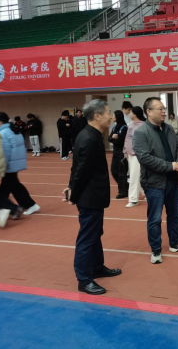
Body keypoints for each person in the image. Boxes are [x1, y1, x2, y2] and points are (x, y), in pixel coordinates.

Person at [63, 99, 122, 295]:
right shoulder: (89, 138)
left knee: (95, 233)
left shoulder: (89, 135)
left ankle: (97, 267)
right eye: (108, 113)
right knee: (87, 237)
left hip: (93, 196)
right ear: (97, 116)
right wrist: (73, 194)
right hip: (89, 197)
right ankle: (84, 280)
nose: (111, 117)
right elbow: (81, 171)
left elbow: (76, 166)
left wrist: (71, 187)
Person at [133, 97, 178, 264]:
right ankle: (156, 249)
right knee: (155, 219)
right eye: (160, 109)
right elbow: (145, 158)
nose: (164, 112)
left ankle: (176, 243)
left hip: (173, 180)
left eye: (164, 108)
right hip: (154, 183)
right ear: (148, 112)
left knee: (175, 214)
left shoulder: (168, 128)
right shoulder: (141, 133)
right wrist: (170, 166)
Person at [0, 112, 41, 215]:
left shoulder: (3, 133)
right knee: (11, 187)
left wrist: (2, 166)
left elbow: (5, 152)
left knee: (10, 188)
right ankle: (5, 208)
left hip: (9, 164)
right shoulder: (13, 129)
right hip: (15, 162)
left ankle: (26, 206)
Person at [124, 106, 146, 208]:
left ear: (135, 114)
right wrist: (125, 151)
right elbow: (127, 139)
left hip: (138, 155)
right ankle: (146, 193)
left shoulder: (143, 126)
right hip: (130, 154)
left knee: (133, 176)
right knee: (137, 175)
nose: (129, 114)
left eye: (131, 112)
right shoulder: (130, 124)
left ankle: (133, 200)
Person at [108, 110, 129, 200]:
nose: (112, 117)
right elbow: (109, 138)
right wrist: (113, 138)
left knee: (122, 172)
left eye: (113, 115)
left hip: (122, 152)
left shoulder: (124, 127)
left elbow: (120, 141)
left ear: (118, 116)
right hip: (115, 152)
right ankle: (125, 186)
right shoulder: (114, 127)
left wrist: (113, 139)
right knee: (114, 171)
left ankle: (123, 191)